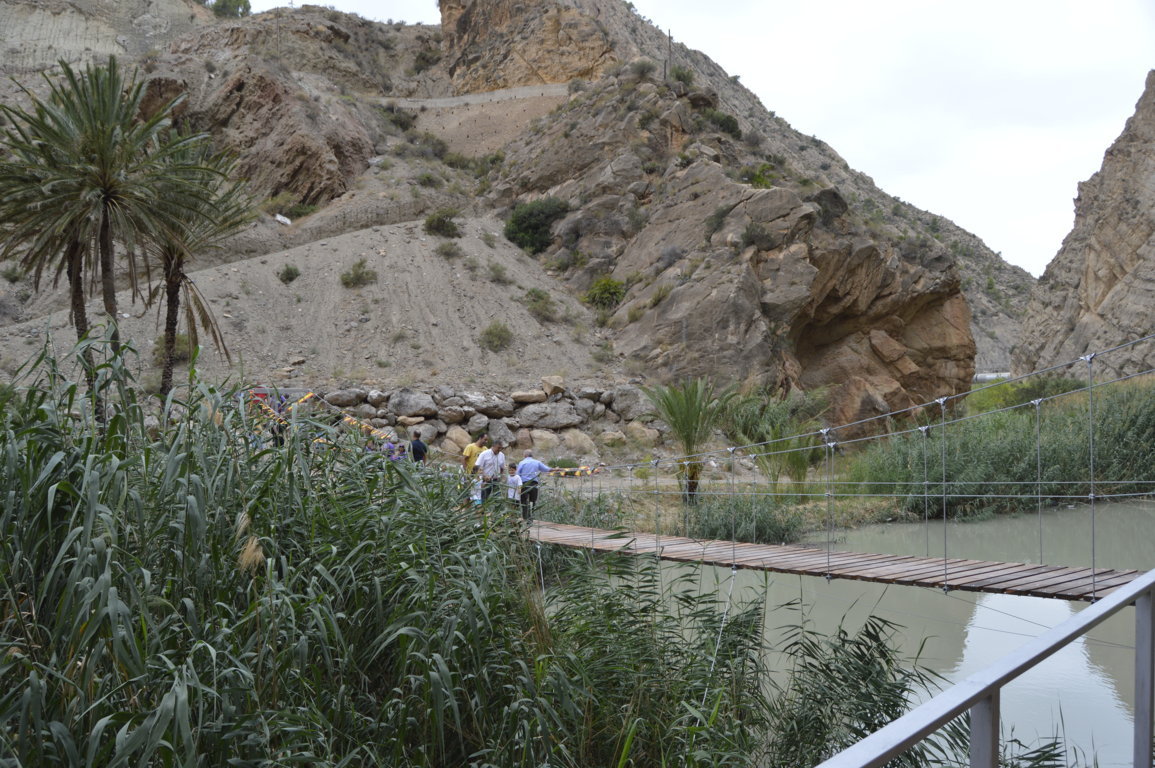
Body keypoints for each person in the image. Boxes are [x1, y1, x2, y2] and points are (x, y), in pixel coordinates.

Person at [515, 449, 552, 520]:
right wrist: (556, 469)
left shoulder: (522, 463)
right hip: (534, 484)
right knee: (533, 501)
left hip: (524, 484)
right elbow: (547, 469)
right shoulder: (537, 462)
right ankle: (531, 517)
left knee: (524, 501)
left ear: (525, 455)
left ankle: (526, 517)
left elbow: (518, 474)